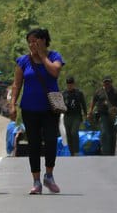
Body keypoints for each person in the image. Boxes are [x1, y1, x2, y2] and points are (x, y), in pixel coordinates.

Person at [9, 27, 64, 194]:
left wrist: (42, 56)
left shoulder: (54, 56)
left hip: (49, 109)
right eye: (30, 42)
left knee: (51, 141)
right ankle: (36, 181)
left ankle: (49, 175)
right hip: (29, 108)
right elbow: (17, 84)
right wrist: (13, 104)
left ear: (44, 41)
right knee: (33, 144)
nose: (32, 44)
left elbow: (54, 72)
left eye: (36, 41)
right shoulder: (23, 61)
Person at [88, 76, 117, 157]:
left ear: (111, 82)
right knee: (104, 133)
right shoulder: (99, 91)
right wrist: (90, 111)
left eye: (108, 82)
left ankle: (112, 152)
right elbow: (93, 101)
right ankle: (105, 152)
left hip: (113, 116)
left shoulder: (116, 91)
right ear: (103, 83)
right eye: (105, 82)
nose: (107, 83)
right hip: (102, 114)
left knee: (112, 134)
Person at [62, 76, 87, 156]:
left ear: (73, 84)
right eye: (68, 84)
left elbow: (83, 104)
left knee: (74, 132)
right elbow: (60, 105)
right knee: (68, 134)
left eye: (71, 84)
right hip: (67, 116)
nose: (70, 86)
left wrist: (85, 114)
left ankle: (76, 151)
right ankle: (71, 152)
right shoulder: (64, 93)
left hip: (76, 116)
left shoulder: (78, 93)